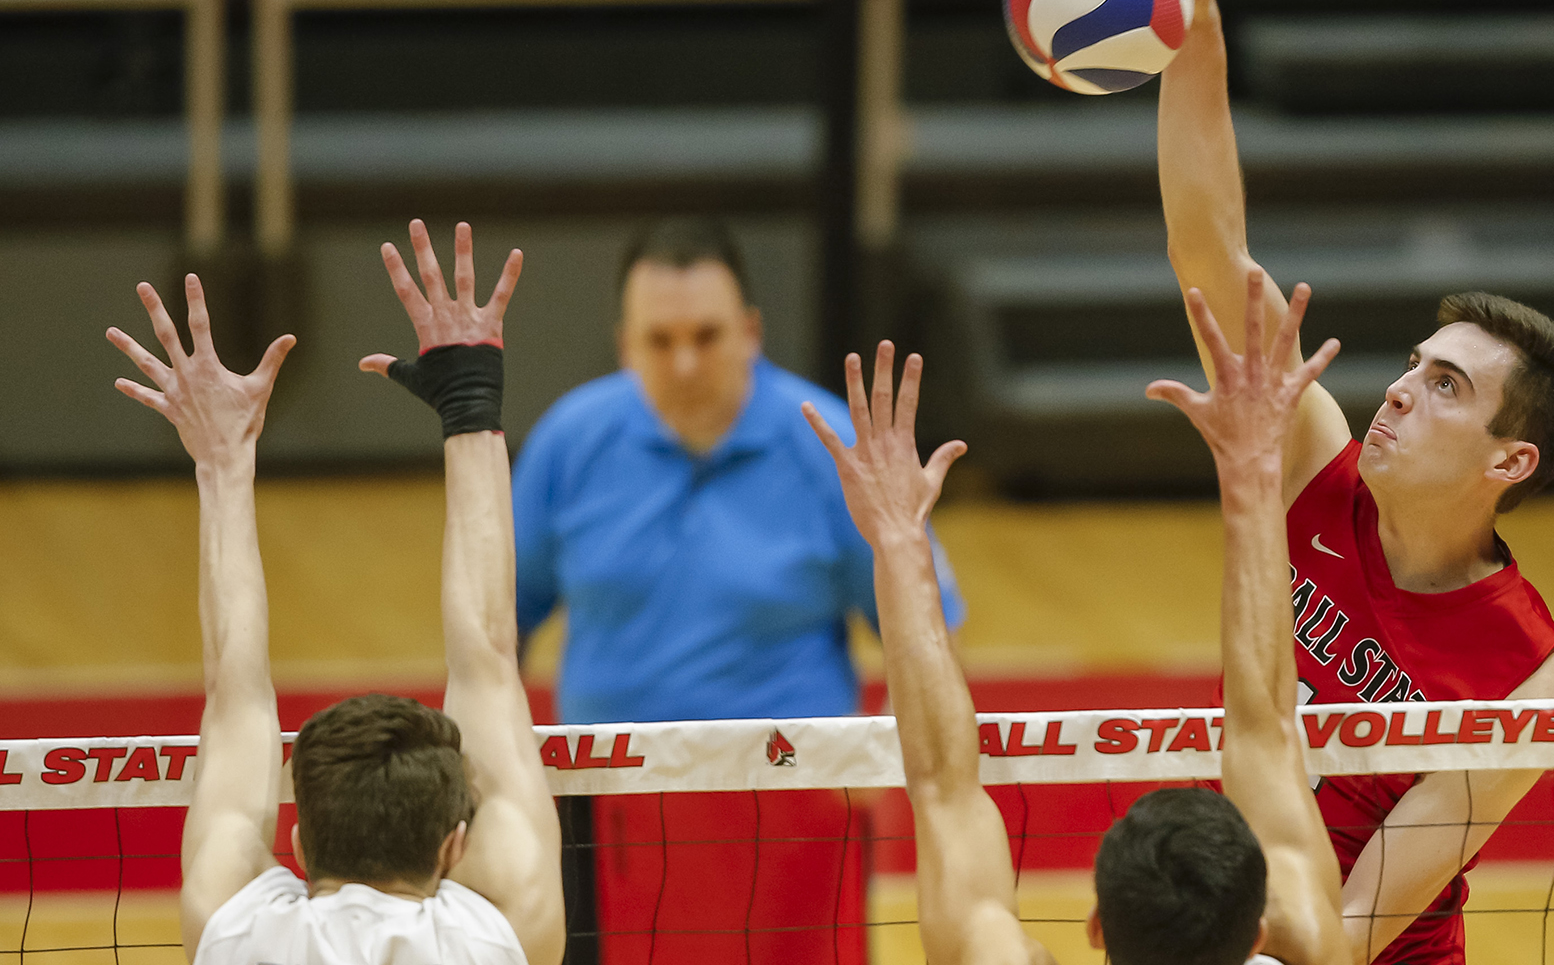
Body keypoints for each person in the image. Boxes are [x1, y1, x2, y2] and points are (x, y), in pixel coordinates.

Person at [1154, 0, 1554, 962]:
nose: (1397, 391)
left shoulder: (1527, 676)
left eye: (1445, 387)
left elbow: (1353, 932)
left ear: (1509, 460)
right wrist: (1194, 39)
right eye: (1412, 365)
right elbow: (1209, 251)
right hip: (1222, 921)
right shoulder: (1316, 463)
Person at [801, 277, 1349, 965]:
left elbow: (943, 784)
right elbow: (1265, 726)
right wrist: (1255, 471)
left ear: (1095, 925)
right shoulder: (1312, 946)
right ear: (1261, 932)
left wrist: (898, 540)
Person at [107, 220, 563, 965]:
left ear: (298, 843)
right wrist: (470, 404)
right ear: (454, 846)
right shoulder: (503, 932)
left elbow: (233, 695)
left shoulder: (237, 934)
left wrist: (222, 460)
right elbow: (488, 654)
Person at [510, 216, 961, 962]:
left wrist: (890, 761)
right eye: (660, 341)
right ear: (624, 344)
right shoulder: (569, 442)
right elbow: (501, 624)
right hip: (602, 811)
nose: (685, 363)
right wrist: (503, 775)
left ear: (751, 331)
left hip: (792, 807)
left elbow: (928, 626)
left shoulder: (832, 449)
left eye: (707, 335)